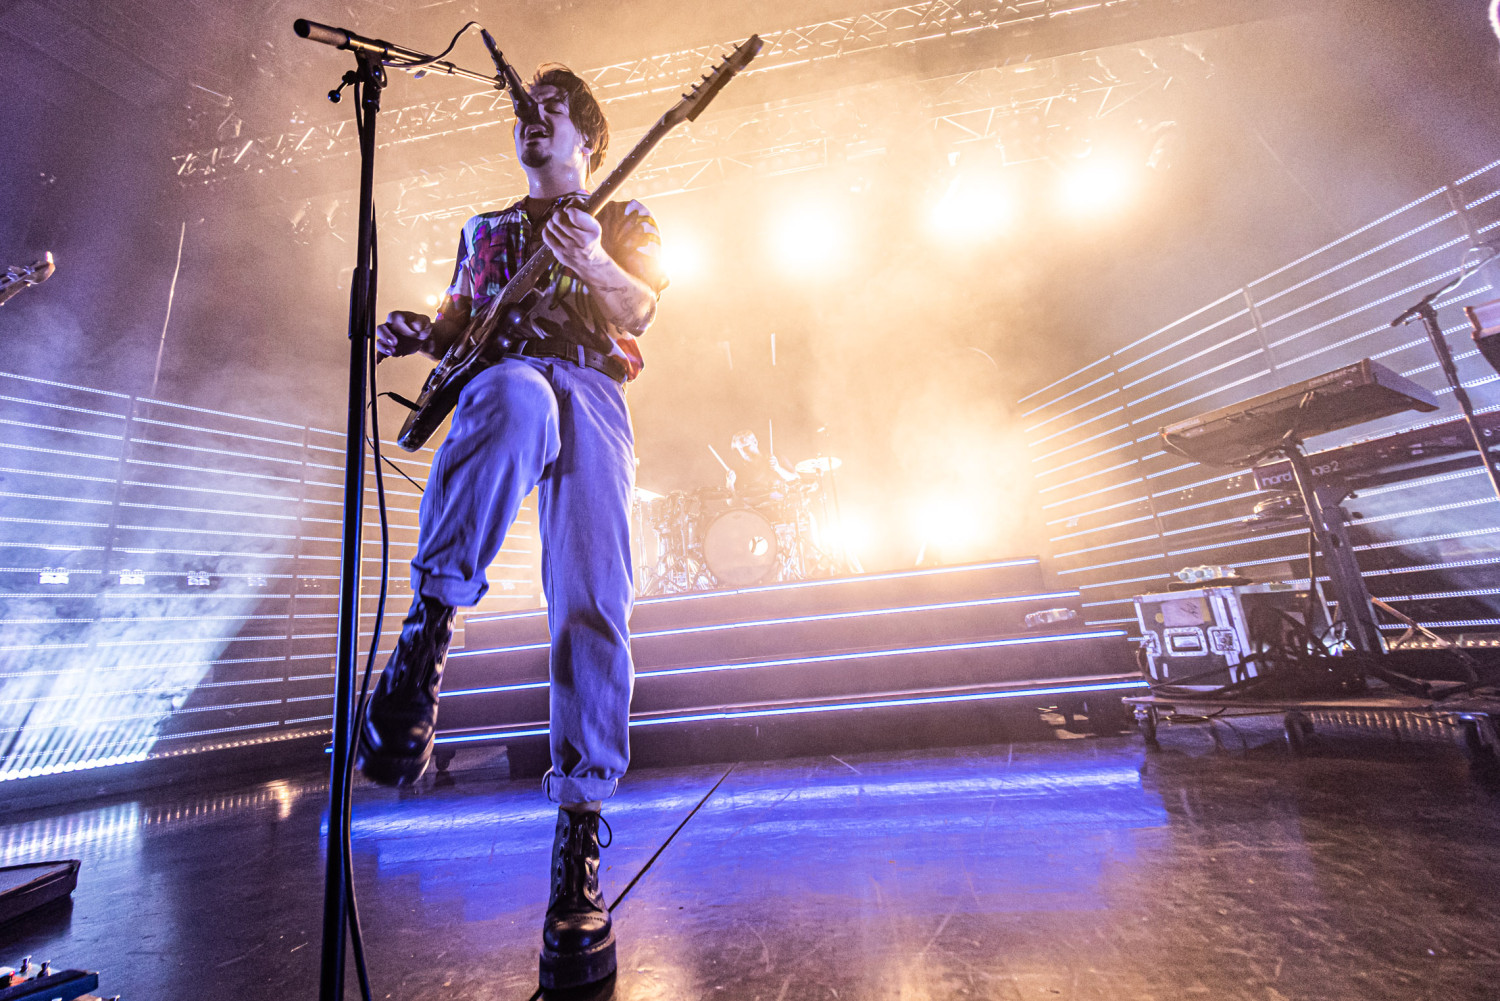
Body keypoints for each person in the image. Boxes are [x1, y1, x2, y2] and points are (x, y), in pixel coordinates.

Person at [358, 63, 667, 990]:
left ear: (590, 142)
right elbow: (466, 319)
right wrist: (420, 328)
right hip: (509, 383)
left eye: (558, 112)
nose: (538, 122)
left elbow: (641, 307)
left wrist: (591, 260)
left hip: (596, 390)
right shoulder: (484, 230)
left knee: (592, 600)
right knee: (515, 395)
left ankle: (578, 847)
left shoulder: (624, 212)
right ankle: (427, 639)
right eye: (529, 112)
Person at [724, 428, 797, 503]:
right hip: (754, 513)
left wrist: (778, 468)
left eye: (746, 447)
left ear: (755, 442)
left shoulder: (775, 458)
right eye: (740, 449)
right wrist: (730, 484)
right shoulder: (738, 471)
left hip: (780, 507)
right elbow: (732, 503)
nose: (744, 452)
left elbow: (796, 479)